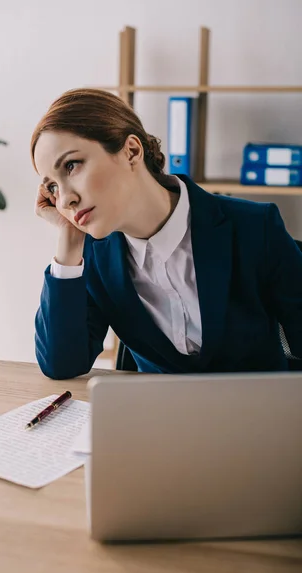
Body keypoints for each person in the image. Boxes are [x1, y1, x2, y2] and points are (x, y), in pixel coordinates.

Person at [31, 88, 302, 379]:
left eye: (71, 166)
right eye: (53, 187)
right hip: (160, 420)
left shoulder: (253, 227)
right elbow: (62, 365)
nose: (64, 200)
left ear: (131, 151)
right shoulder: (93, 259)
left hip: (262, 418)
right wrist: (68, 241)